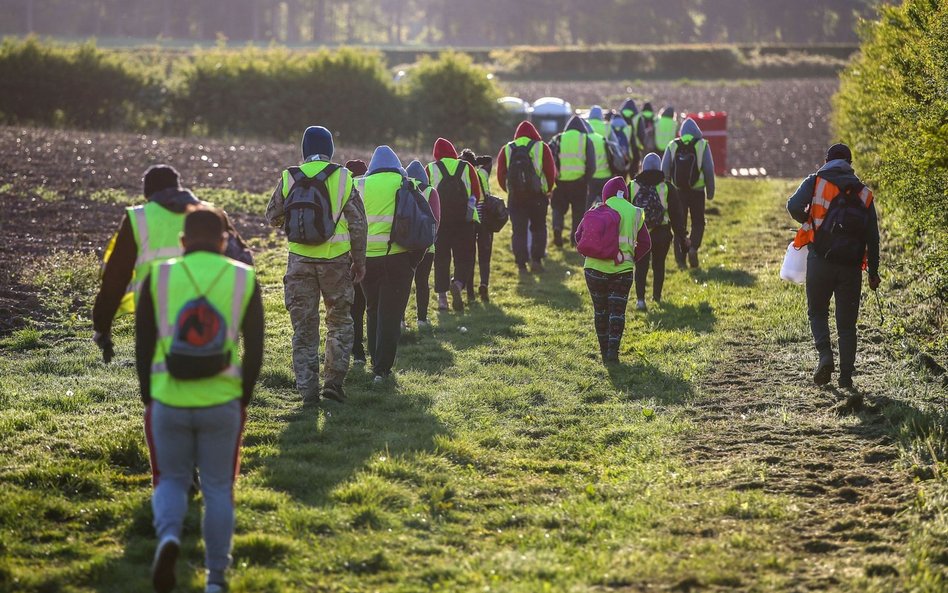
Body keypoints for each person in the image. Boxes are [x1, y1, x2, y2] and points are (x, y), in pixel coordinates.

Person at [136, 207, 264, 593]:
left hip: (168, 398)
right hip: (222, 400)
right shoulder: (243, 277)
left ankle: (170, 538)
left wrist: (149, 395)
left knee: (172, 480)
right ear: (224, 241)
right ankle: (215, 579)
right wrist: (244, 394)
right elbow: (256, 346)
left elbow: (142, 345)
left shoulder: (158, 277)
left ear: (183, 241)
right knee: (218, 489)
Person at [92, 165, 250, 362]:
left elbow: (115, 278)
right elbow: (242, 261)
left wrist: (102, 325)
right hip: (210, 312)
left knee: (160, 382)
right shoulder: (212, 214)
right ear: (179, 187)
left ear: (148, 194)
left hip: (155, 316)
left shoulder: (139, 218)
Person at [265, 126, 367, 404]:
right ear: (330, 148)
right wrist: (359, 262)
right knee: (339, 322)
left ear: (304, 150)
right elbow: (358, 224)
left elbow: (272, 215)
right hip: (336, 263)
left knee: (304, 327)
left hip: (298, 262)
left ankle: (307, 391)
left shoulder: (290, 176)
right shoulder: (344, 177)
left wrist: (297, 222)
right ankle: (333, 384)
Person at [787, 143, 881, 389]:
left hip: (820, 259)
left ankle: (825, 356)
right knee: (847, 325)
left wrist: (807, 219)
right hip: (851, 266)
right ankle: (846, 377)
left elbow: (793, 206)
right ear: (849, 163)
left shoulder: (816, 181)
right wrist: (874, 272)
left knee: (817, 312)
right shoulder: (864, 193)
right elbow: (873, 236)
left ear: (827, 160)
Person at [360, 146, 424, 382]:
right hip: (397, 258)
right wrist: (414, 260)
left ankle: (373, 359)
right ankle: (382, 370)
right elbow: (425, 224)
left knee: (373, 308)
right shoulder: (408, 184)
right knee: (391, 314)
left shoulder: (359, 186)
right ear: (397, 165)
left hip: (366, 259)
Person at [581, 177, 651, 364]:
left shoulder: (595, 209)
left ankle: (603, 351)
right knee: (616, 312)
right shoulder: (635, 212)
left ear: (606, 194)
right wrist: (631, 258)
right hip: (622, 271)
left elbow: (578, 236)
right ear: (625, 195)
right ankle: (613, 352)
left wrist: (593, 256)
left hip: (594, 270)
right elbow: (645, 243)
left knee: (600, 311)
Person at [426, 138, 483, 312]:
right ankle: (458, 284)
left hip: (440, 222)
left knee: (441, 259)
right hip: (464, 222)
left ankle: (442, 299)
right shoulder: (467, 167)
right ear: (453, 151)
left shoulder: (430, 168)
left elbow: (425, 194)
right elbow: (476, 194)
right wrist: (467, 211)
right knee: (464, 257)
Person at [495, 120, 557, 274]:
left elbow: (500, 174)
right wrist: (547, 190)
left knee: (518, 231)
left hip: (516, 197)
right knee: (539, 228)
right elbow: (550, 172)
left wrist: (509, 189)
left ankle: (521, 265)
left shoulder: (507, 149)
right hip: (537, 196)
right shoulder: (542, 147)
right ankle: (536, 261)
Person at [632, 153, 689, 310]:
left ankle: (640, 300)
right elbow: (677, 215)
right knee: (659, 265)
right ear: (659, 167)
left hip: (640, 233)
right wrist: (682, 235)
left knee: (641, 266)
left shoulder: (632, 186)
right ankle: (656, 297)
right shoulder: (667, 187)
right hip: (661, 233)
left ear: (643, 167)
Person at [662, 117, 716, 269]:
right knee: (698, 222)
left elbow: (664, 169)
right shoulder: (702, 145)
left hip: (678, 192)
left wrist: (666, 191)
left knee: (680, 224)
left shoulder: (673, 145)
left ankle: (681, 260)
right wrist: (710, 192)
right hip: (697, 192)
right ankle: (693, 248)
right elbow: (709, 170)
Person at [405, 159, 442, 326]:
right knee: (422, 282)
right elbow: (436, 220)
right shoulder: (430, 191)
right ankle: (421, 319)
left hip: (404, 246)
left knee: (403, 284)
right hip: (427, 247)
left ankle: (400, 321)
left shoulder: (402, 189)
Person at [550, 115, 596, 247]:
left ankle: (557, 227)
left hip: (560, 182)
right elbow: (592, 165)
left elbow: (549, 158)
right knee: (578, 212)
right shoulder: (586, 139)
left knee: (558, 208)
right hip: (579, 183)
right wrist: (586, 179)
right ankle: (574, 239)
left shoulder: (558, 138)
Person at [460, 150, 494, 302]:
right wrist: (474, 160)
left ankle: (470, 292)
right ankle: (484, 284)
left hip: (469, 220)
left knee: (469, 256)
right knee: (485, 255)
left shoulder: (462, 175)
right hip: (485, 219)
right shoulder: (482, 173)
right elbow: (488, 159)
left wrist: (465, 161)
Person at [345, 159, 370, 364]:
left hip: (343, 256)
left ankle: (355, 351)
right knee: (366, 305)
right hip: (369, 253)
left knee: (350, 308)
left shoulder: (343, 191)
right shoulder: (369, 188)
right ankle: (366, 351)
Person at [618, 98, 642, 174]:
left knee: (622, 173)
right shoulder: (638, 117)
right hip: (635, 148)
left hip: (622, 148)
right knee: (634, 173)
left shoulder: (619, 116)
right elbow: (641, 133)